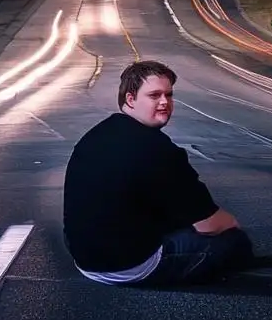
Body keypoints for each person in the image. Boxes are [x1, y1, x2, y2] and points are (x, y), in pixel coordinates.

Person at [62, 61, 255, 286]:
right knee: (233, 241)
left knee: (173, 219)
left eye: (169, 95)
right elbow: (210, 225)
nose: (165, 102)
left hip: (84, 261)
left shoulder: (96, 135)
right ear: (130, 99)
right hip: (128, 265)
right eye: (154, 95)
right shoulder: (158, 149)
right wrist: (231, 225)